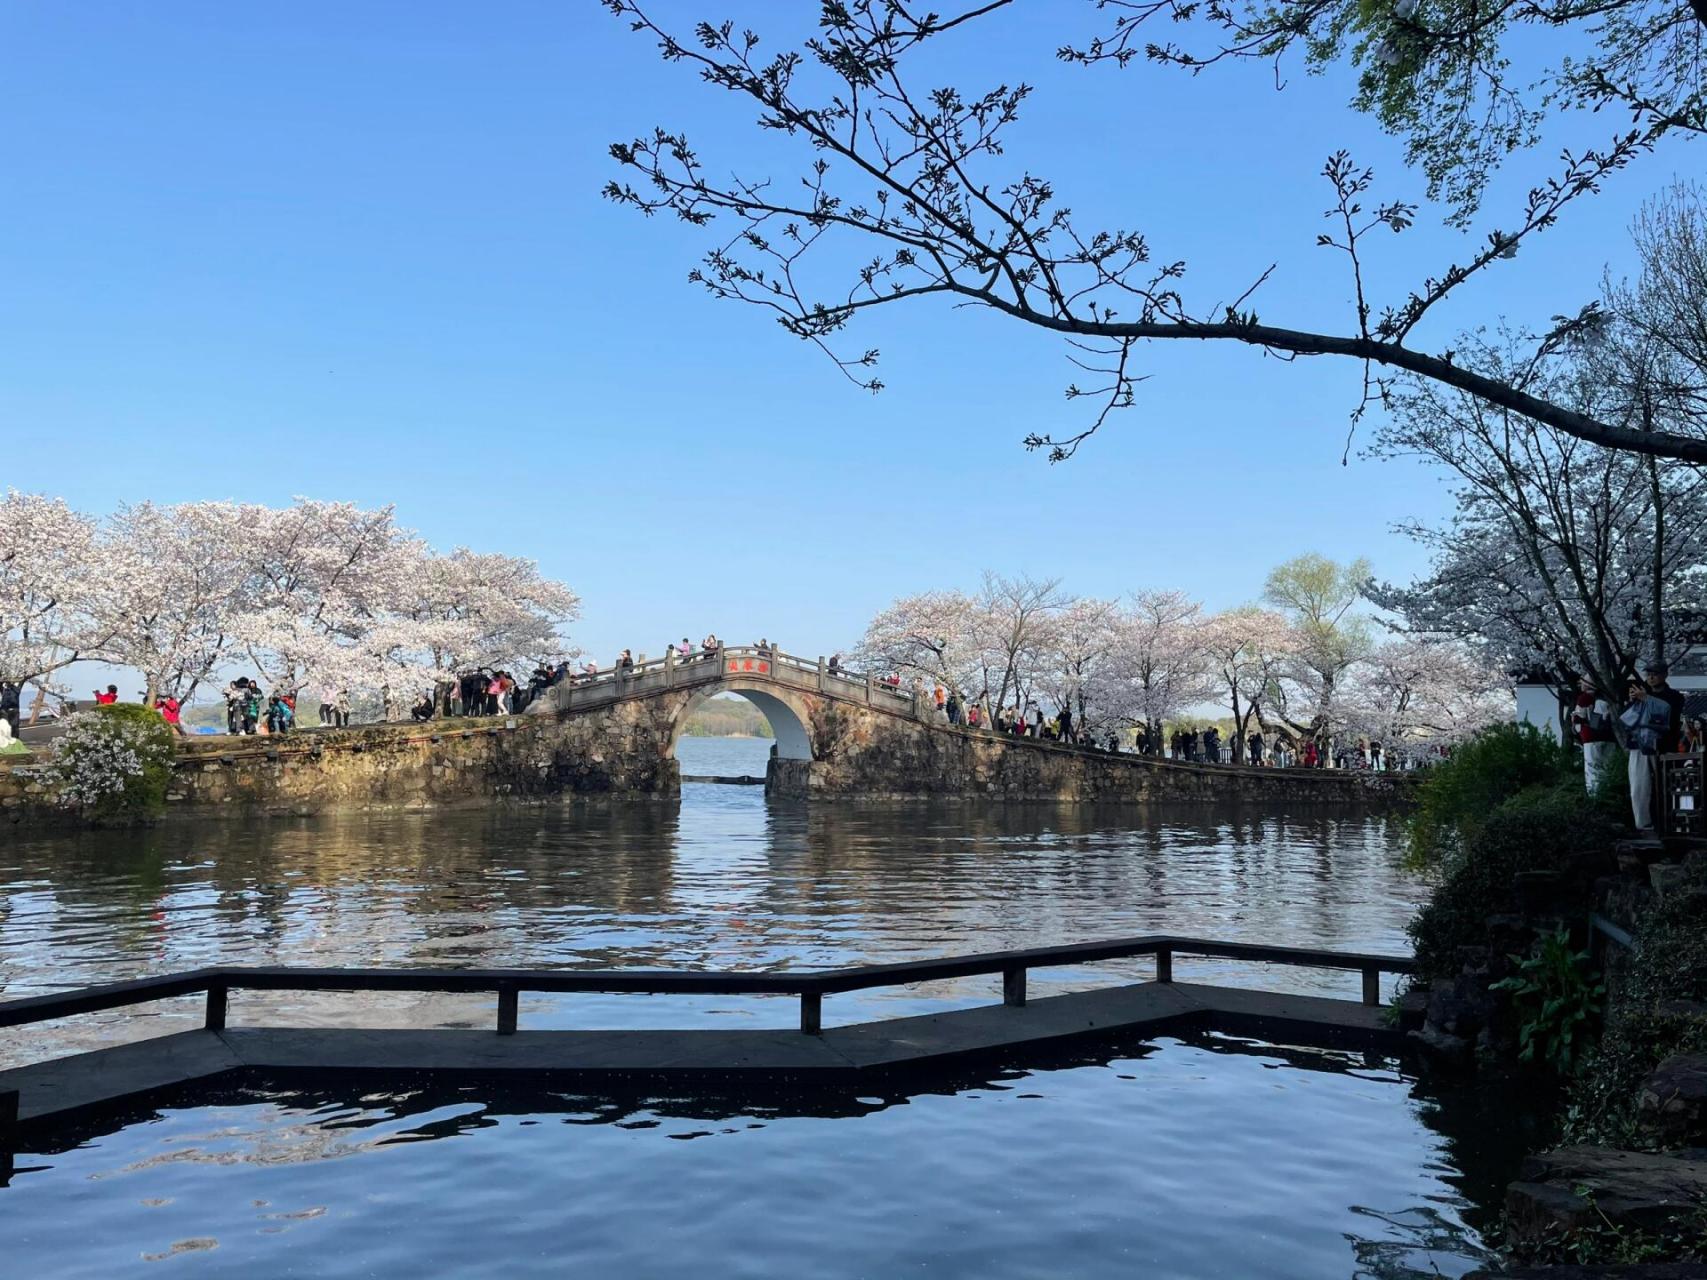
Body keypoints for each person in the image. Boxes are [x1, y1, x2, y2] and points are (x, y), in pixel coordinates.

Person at [1622, 676, 1673, 833]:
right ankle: (1643, 823)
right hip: (1637, 746)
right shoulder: (1633, 703)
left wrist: (1647, 700)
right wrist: (1634, 702)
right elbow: (1626, 721)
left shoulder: (1666, 699)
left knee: (1664, 786)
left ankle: (1666, 822)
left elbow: (1664, 720)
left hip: (1659, 746)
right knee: (1638, 787)